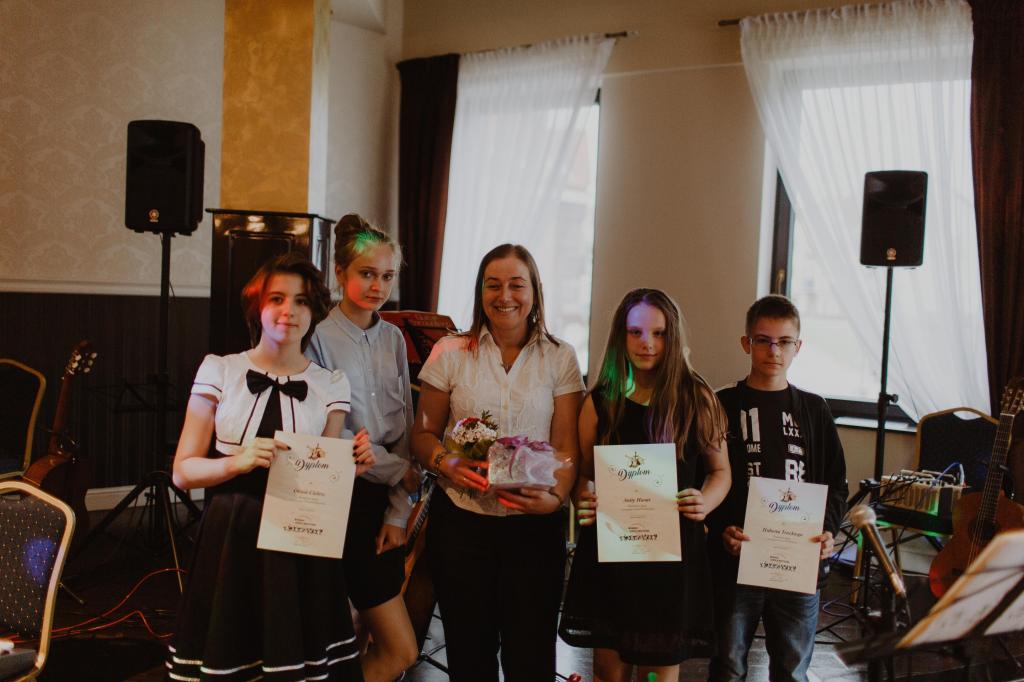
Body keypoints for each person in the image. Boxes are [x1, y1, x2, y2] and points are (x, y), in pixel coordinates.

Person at [167, 252, 374, 681]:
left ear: (313, 311)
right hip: (232, 533)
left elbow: (323, 479)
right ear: (257, 307)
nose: (288, 311)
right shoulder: (220, 370)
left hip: (299, 538)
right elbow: (182, 473)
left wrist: (349, 469)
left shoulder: (330, 384)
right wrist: (236, 463)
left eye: (301, 301)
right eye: (276, 298)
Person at [410, 243, 585, 681]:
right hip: (462, 525)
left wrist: (555, 498)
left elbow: (566, 446)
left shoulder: (560, 356)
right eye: (493, 285)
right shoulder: (450, 351)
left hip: (534, 528)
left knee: (531, 659)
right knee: (469, 657)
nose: (504, 296)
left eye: (516, 285)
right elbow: (423, 435)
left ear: (535, 292)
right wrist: (446, 463)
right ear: (480, 292)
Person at [558, 288, 731, 682]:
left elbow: (721, 472)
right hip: (611, 558)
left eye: (658, 333)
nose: (647, 343)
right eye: (635, 332)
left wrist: (705, 501)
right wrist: (584, 497)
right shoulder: (601, 401)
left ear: (674, 337)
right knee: (608, 672)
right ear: (621, 336)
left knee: (659, 673)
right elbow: (584, 475)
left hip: (671, 563)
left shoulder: (697, 398)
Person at [706, 294, 848, 682]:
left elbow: (836, 485)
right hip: (735, 564)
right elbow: (704, 478)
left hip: (798, 565)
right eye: (763, 340)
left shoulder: (815, 410)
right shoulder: (720, 404)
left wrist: (828, 532)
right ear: (746, 343)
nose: (774, 351)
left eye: (784, 341)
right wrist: (721, 530)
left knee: (791, 670)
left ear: (798, 346)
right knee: (727, 667)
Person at [305, 214, 420, 681]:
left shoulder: (393, 338)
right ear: (340, 273)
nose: (378, 286)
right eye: (367, 274)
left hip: (384, 504)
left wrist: (398, 512)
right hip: (339, 500)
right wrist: (398, 473)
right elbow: (324, 437)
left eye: (387, 276)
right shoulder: (316, 337)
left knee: (377, 645)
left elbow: (405, 430)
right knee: (368, 643)